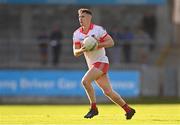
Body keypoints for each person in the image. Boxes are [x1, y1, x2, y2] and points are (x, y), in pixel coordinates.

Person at [72, 8, 135, 120]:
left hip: (101, 62)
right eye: (79, 17)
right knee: (108, 92)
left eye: (83, 16)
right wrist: (83, 49)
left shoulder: (98, 30)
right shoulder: (77, 34)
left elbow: (111, 42)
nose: (81, 19)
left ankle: (94, 108)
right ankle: (128, 110)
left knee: (85, 81)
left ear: (89, 18)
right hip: (93, 65)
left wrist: (97, 45)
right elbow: (75, 52)